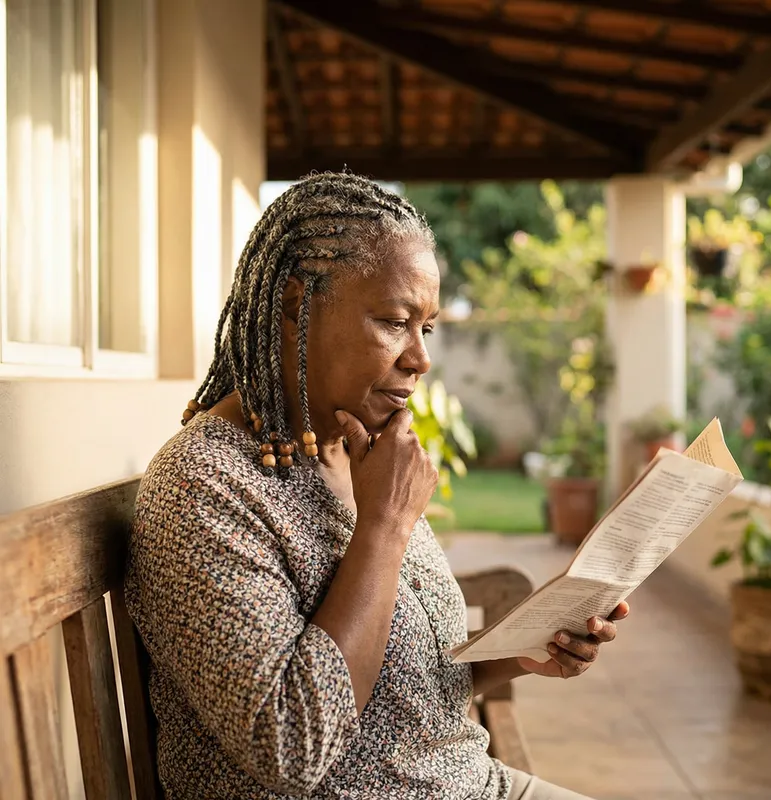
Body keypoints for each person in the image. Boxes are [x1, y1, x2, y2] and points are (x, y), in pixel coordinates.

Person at [125, 172, 629, 800]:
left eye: (429, 328)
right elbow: (295, 745)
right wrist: (384, 527)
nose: (420, 357)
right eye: (394, 321)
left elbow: (402, 677)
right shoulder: (204, 487)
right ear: (292, 307)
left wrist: (524, 650)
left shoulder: (352, 452)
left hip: (469, 783)